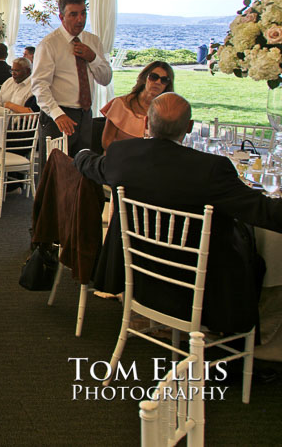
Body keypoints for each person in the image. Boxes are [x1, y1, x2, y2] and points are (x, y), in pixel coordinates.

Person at [74, 93, 282, 334]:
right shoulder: (211, 169)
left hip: (140, 273)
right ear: (190, 127)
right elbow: (264, 211)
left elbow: (91, 165)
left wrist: (79, 155)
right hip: (203, 287)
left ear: (146, 123)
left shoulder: (122, 155)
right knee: (256, 255)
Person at [30, 0, 112, 155]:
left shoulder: (93, 41)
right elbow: (39, 86)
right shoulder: (49, 44)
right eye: (73, 14)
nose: (80, 19)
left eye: (83, 13)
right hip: (58, 116)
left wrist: (93, 58)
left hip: (86, 116)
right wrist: (57, 114)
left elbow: (105, 79)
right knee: (57, 173)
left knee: (82, 172)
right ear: (61, 17)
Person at [100, 61, 174, 150]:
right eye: (153, 77)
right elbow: (106, 143)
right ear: (144, 79)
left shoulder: (167, 112)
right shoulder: (121, 104)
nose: (158, 82)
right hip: (119, 159)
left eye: (164, 80)